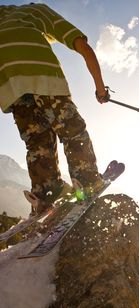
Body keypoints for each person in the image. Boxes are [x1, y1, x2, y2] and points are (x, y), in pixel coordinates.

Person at [0, 3, 110, 214]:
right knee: (73, 132)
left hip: (10, 89)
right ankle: (86, 181)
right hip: (45, 80)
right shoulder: (37, 10)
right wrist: (100, 89)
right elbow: (83, 46)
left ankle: (45, 195)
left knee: (38, 144)